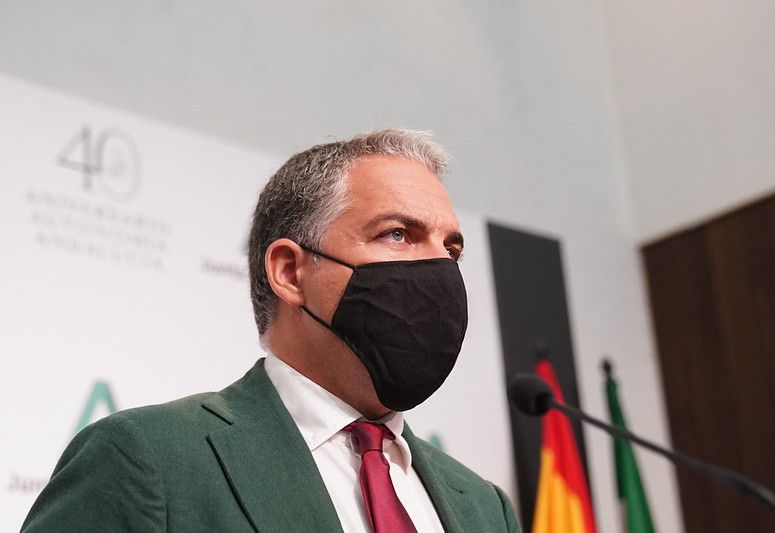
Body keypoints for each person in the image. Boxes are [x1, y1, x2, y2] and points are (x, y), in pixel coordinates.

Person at [22, 129, 522, 533]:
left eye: (451, 249)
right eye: (397, 234)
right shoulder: (147, 458)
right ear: (289, 272)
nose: (440, 267)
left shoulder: (485, 508)